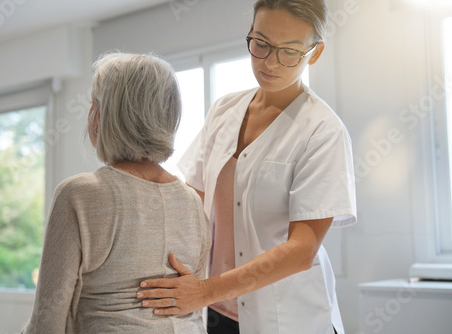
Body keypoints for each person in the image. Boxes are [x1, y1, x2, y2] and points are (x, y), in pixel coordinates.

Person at [136, 1, 357, 333]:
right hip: (215, 312)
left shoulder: (323, 130)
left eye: (289, 51)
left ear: (314, 52)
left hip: (286, 318)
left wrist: (206, 290)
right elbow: (193, 202)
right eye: (261, 44)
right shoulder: (225, 109)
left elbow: (302, 249)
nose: (269, 62)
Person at [21, 52, 211, 334]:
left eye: (93, 103)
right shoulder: (192, 202)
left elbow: (47, 320)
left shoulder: (80, 195)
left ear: (101, 115)